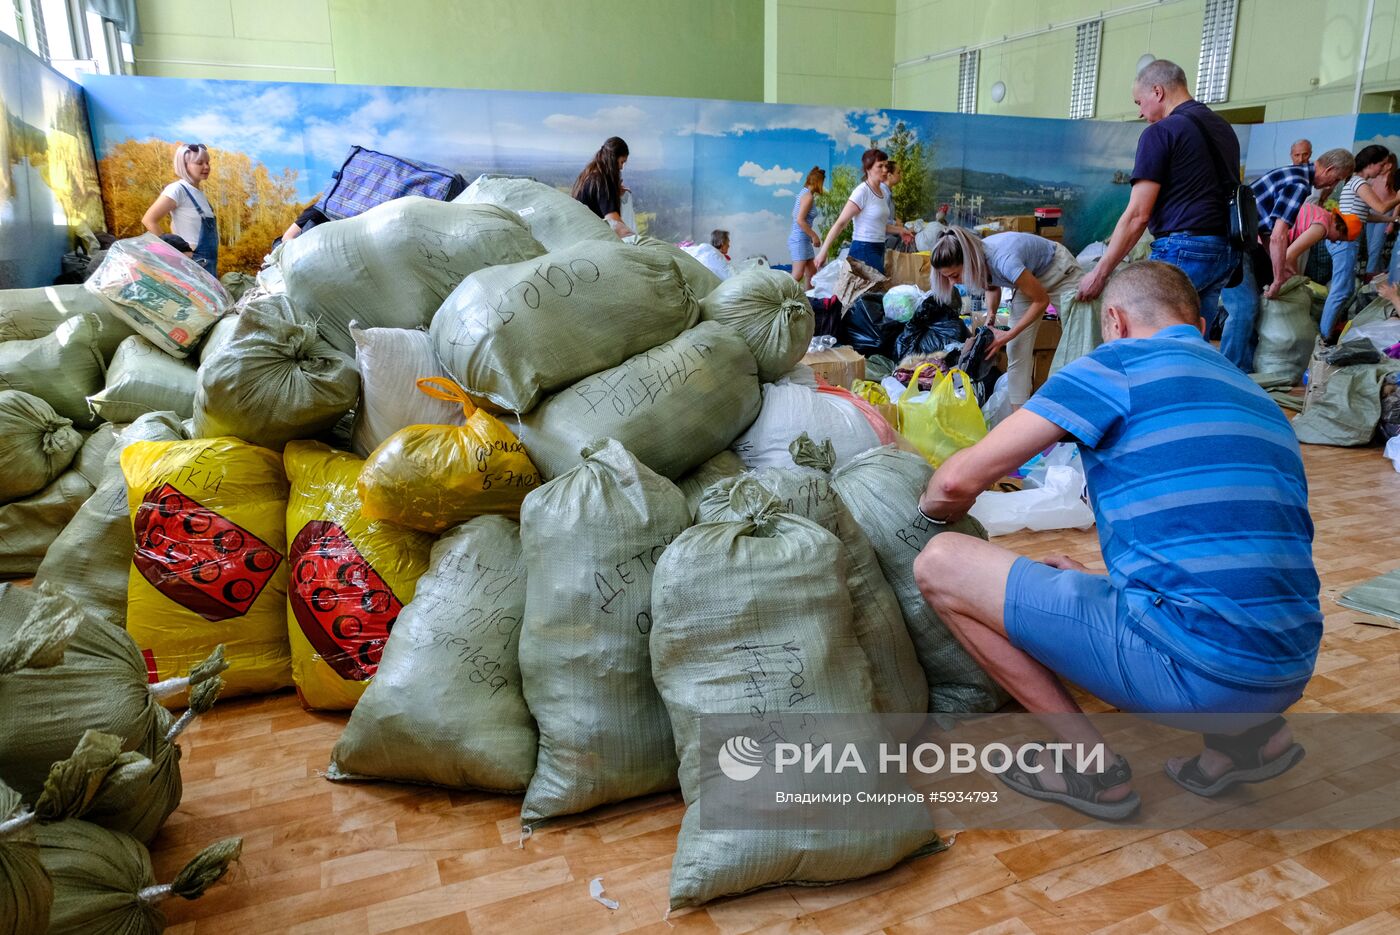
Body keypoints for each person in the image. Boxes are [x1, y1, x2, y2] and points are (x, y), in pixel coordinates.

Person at [913, 261, 1319, 819]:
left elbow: (956, 481)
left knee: (941, 563)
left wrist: (929, 508)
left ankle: (1087, 766)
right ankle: (1247, 741)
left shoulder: (1115, 365)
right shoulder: (1260, 399)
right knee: (1081, 576)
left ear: (1115, 321)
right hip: (1289, 665)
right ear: (1198, 325)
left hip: (1200, 673)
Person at [1076, 60, 1238, 329]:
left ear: (1158, 92)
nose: (1140, 113)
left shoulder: (1161, 132)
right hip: (1224, 250)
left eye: (1139, 102)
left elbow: (1138, 215)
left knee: (1150, 335)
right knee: (1192, 341)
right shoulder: (1223, 128)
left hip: (1183, 249)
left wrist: (1100, 272)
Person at [1218, 148, 1355, 370]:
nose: (1333, 185)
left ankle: (1245, 366)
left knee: (1253, 305)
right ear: (1329, 169)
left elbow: (1263, 225)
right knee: (1244, 307)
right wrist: (1279, 278)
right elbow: (1278, 235)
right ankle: (1228, 369)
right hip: (1231, 241)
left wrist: (1276, 269)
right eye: (1336, 178)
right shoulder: (1299, 184)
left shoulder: (1293, 174)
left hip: (1242, 241)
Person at [928, 227, 1084, 409]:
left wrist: (1008, 334)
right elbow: (992, 286)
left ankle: (1075, 411)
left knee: (1078, 344)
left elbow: (1041, 300)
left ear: (969, 261)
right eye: (947, 278)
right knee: (1016, 349)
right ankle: (1018, 416)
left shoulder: (1004, 261)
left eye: (955, 275)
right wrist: (991, 317)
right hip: (1029, 278)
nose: (953, 282)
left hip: (1059, 272)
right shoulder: (979, 261)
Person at [814, 148, 913, 275]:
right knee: (871, 292)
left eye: (886, 166)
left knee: (875, 292)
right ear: (868, 169)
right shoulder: (862, 192)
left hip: (879, 248)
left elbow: (879, 225)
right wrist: (823, 251)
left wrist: (900, 230)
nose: (885, 170)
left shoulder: (882, 192)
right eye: (880, 166)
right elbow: (841, 223)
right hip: (863, 249)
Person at [141, 142, 218, 271]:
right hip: (192, 264)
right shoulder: (177, 189)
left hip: (209, 262)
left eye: (207, 162)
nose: (206, 167)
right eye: (200, 163)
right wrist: (175, 253)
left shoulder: (200, 194)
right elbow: (149, 220)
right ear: (184, 165)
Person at [571, 136, 632, 237]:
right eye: (621, 162)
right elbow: (615, 223)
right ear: (613, 159)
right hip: (588, 238)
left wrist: (614, 194)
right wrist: (640, 244)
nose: (621, 168)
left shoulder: (591, 174)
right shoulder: (602, 181)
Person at [788, 166, 824, 287]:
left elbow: (794, 215)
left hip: (803, 239)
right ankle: (778, 298)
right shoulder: (807, 197)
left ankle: (810, 302)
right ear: (818, 182)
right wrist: (814, 236)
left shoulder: (804, 193)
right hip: (799, 239)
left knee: (812, 273)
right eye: (822, 182)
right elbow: (799, 220)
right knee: (797, 276)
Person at [1364, 154, 1398, 276]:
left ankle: (1368, 276)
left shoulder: (1393, 180)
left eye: (1383, 164)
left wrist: (1391, 222)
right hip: (1371, 215)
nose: (1380, 166)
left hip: (1385, 216)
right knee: (1370, 248)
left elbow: (1398, 203)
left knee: (1375, 248)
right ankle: (1378, 276)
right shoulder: (1374, 178)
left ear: (1389, 165)